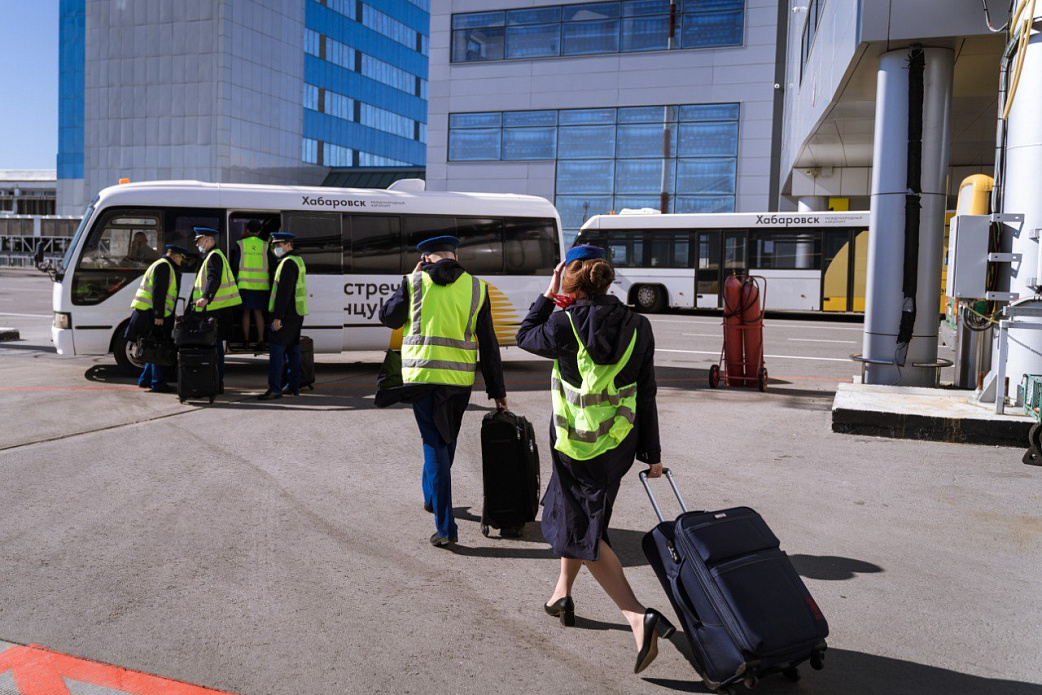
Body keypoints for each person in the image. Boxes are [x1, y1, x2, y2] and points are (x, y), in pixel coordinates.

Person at [515, 245, 674, 675]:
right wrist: (653, 454)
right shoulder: (640, 324)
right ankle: (560, 594)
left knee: (576, 525)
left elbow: (523, 335)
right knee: (584, 519)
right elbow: (647, 393)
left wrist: (549, 296)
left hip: (573, 446)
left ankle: (639, 617)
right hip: (618, 444)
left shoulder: (562, 322)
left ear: (570, 279)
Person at [378, 235, 508, 548]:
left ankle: (446, 527)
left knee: (434, 443)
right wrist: (497, 390)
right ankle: (432, 497)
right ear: (454, 255)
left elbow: (388, 318)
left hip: (421, 377)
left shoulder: (414, 282)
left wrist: (410, 277)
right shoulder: (476, 287)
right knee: (445, 439)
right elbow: (489, 344)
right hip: (459, 381)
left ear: (426, 258)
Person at [124, 244, 190, 392]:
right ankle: (158, 383)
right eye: (181, 258)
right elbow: (158, 292)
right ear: (175, 256)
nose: (182, 262)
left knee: (153, 345)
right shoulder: (164, 266)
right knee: (158, 348)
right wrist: (159, 315)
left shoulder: (162, 265)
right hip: (153, 314)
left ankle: (145, 380)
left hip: (149, 312)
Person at [191, 226, 242, 393]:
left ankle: (216, 383)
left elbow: (214, 278)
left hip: (216, 311)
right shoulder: (213, 256)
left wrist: (206, 298)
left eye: (199, 240)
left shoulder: (213, 257)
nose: (198, 244)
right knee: (215, 348)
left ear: (208, 240)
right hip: (217, 309)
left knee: (215, 349)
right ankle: (216, 382)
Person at [259, 232, 308, 400]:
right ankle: (293, 386)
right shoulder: (298, 260)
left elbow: (284, 293)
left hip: (285, 315)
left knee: (277, 352)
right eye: (274, 245)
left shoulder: (287, 263)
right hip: (297, 313)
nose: (276, 248)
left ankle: (275, 389)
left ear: (289, 245)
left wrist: (278, 317)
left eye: (279, 245)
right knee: (293, 350)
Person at [231, 219, 272, 349]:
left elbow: (235, 263)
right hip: (261, 285)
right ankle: (260, 340)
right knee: (258, 313)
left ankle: (246, 341)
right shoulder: (265, 245)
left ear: (247, 230)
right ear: (259, 231)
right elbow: (272, 262)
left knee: (246, 313)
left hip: (245, 284)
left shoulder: (241, 244)